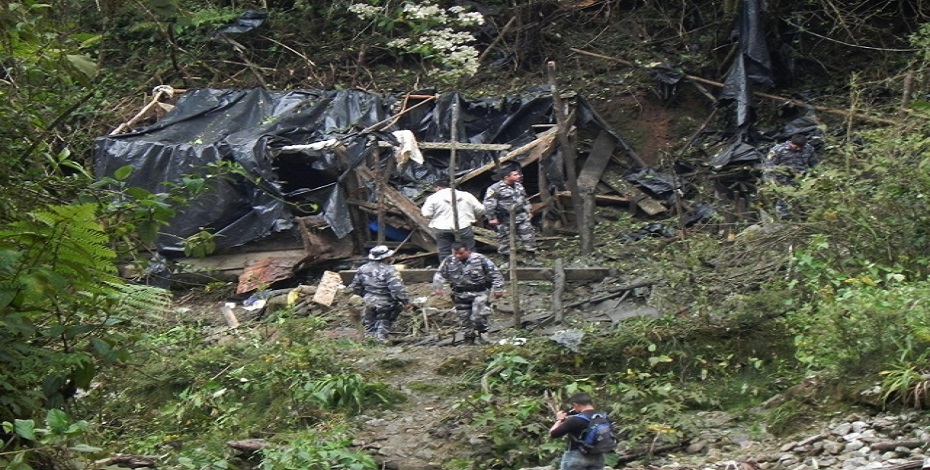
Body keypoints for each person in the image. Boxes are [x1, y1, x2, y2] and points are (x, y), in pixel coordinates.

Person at [432, 242, 504, 344]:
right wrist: (438, 287)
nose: (457, 256)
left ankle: (483, 335)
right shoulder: (449, 261)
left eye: (461, 253)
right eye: (455, 253)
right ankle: (469, 339)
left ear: (468, 251)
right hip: (460, 294)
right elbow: (440, 274)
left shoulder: (480, 259)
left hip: (479, 292)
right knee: (464, 318)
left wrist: (498, 288)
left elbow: (495, 273)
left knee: (478, 315)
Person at [347, 245, 410, 343]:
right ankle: (381, 342)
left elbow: (356, 287)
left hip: (367, 301)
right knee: (384, 321)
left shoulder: (362, 269)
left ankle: (369, 343)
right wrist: (405, 302)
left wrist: (365, 296)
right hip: (386, 303)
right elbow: (397, 290)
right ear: (386, 258)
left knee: (369, 325)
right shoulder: (390, 270)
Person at [420, 180, 486, 264]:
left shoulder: (433, 198)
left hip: (441, 227)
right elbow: (481, 209)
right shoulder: (466, 195)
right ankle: (473, 267)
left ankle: (447, 271)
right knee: (469, 249)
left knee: (445, 251)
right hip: (463, 225)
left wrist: (436, 217)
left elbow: (426, 214)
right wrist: (473, 217)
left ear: (438, 187)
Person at [483, 168, 538, 264]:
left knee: (528, 237)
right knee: (505, 240)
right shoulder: (495, 188)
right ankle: (507, 261)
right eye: (515, 175)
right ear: (507, 177)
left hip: (521, 216)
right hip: (505, 219)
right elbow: (489, 204)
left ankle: (531, 259)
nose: (519, 176)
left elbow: (525, 199)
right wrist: (492, 218)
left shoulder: (519, 186)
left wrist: (528, 211)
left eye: (518, 174)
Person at [762, 134, 818, 218]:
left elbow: (814, 164)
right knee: (784, 199)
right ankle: (783, 218)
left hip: (802, 179)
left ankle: (803, 216)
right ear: (790, 143)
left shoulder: (809, 149)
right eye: (796, 147)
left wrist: (817, 176)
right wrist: (772, 181)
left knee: (803, 199)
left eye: (800, 147)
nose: (798, 149)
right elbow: (769, 166)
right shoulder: (778, 150)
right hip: (782, 179)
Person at [549, 393, 606, 470]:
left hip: (576, 456)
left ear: (576, 404)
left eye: (573, 406)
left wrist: (559, 420)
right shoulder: (604, 418)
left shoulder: (576, 420)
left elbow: (553, 434)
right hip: (598, 456)